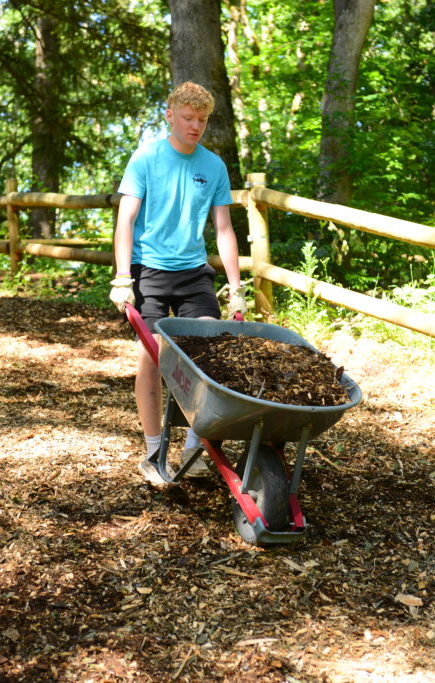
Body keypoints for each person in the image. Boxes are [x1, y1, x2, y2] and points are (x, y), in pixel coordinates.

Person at [110, 81, 247, 486]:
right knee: (152, 358)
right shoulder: (146, 158)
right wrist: (122, 277)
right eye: (188, 118)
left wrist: (236, 285)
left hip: (193, 274)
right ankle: (154, 453)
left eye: (202, 119)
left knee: (206, 358)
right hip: (147, 270)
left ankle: (194, 450)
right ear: (170, 115)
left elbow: (223, 230)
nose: (196, 126)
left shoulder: (213, 166)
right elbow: (126, 219)